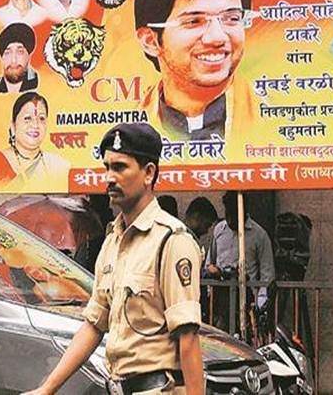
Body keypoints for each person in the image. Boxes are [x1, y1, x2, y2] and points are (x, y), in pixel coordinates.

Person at [24, 123, 204, 395]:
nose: (109, 177)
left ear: (149, 173)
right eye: (107, 167)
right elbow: (94, 324)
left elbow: (188, 338)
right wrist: (47, 388)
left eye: (120, 167)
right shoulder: (112, 242)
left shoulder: (172, 241)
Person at [135, 0, 256, 141]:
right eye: (194, 21)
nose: (217, 38)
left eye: (232, 18)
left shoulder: (277, 117)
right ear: (150, 41)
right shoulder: (125, 128)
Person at [206, 191, 275, 309]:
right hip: (219, 298)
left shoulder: (259, 235)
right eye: (227, 215)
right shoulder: (219, 230)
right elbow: (209, 263)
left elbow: (267, 275)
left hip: (247, 299)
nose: (230, 220)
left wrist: (259, 304)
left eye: (234, 215)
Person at [0, 92, 70, 192]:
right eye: (27, 118)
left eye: (41, 118)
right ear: (13, 125)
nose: (35, 125)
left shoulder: (58, 164)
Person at [0, 22, 39, 93]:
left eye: (20, 52)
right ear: (2, 57)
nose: (13, 60)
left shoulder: (42, 84)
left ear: (29, 56)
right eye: (7, 53)